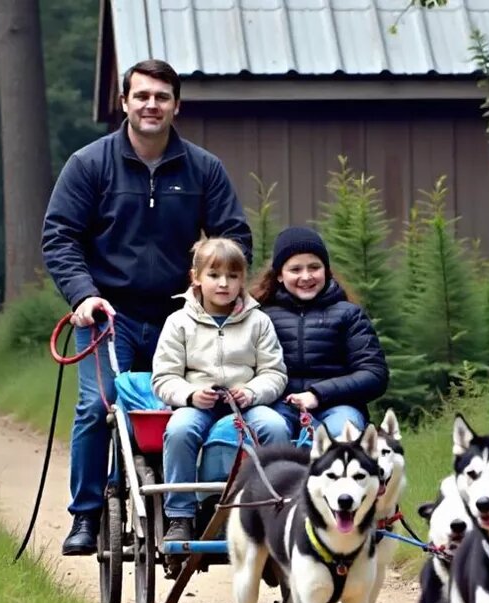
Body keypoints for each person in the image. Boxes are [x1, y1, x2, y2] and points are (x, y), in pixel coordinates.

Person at [41, 58, 253, 557]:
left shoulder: (203, 169)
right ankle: (87, 516)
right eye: (142, 96)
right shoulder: (89, 164)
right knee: (99, 407)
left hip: (182, 319)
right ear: (125, 103)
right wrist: (82, 294)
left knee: (179, 408)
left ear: (177, 105)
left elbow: (233, 235)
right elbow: (60, 237)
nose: (151, 105)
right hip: (107, 316)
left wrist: (213, 289)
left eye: (161, 97)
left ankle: (188, 507)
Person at [151, 238, 287, 542]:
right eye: (214, 275)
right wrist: (190, 395)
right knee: (179, 431)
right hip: (198, 404)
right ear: (196, 278)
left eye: (233, 276)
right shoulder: (178, 323)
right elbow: (164, 377)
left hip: (247, 405)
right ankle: (181, 516)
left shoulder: (259, 322)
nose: (223, 283)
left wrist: (251, 392)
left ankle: (272, 511)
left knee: (276, 426)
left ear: (242, 279)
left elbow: (274, 373)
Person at [250, 226, 389, 441]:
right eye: (295, 270)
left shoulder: (349, 314)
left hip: (337, 406)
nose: (306, 276)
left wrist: (317, 394)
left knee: (344, 432)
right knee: (268, 428)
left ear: (326, 270)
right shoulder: (260, 316)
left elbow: (374, 374)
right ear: (279, 275)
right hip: (277, 406)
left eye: (314, 267)